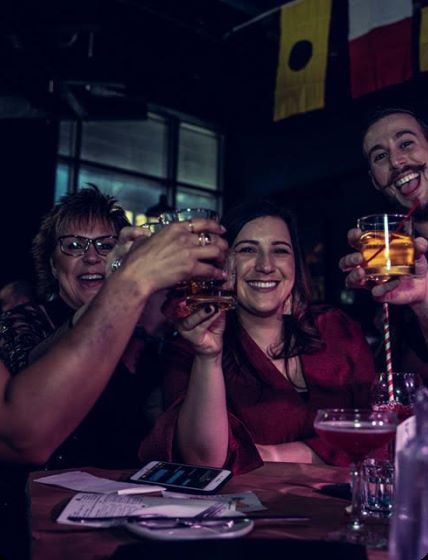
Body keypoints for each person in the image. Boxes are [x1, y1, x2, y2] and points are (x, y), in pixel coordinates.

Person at [139, 200, 376, 474]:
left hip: (345, 510)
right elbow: (203, 463)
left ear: (296, 264)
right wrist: (209, 357)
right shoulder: (188, 348)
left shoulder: (337, 329)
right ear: (222, 262)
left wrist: (269, 454)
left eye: (280, 250)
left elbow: (380, 436)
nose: (266, 265)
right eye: (248, 250)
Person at [338, 107, 428, 382]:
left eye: (406, 143)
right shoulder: (395, 260)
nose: (397, 162)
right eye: (380, 156)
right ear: (375, 181)